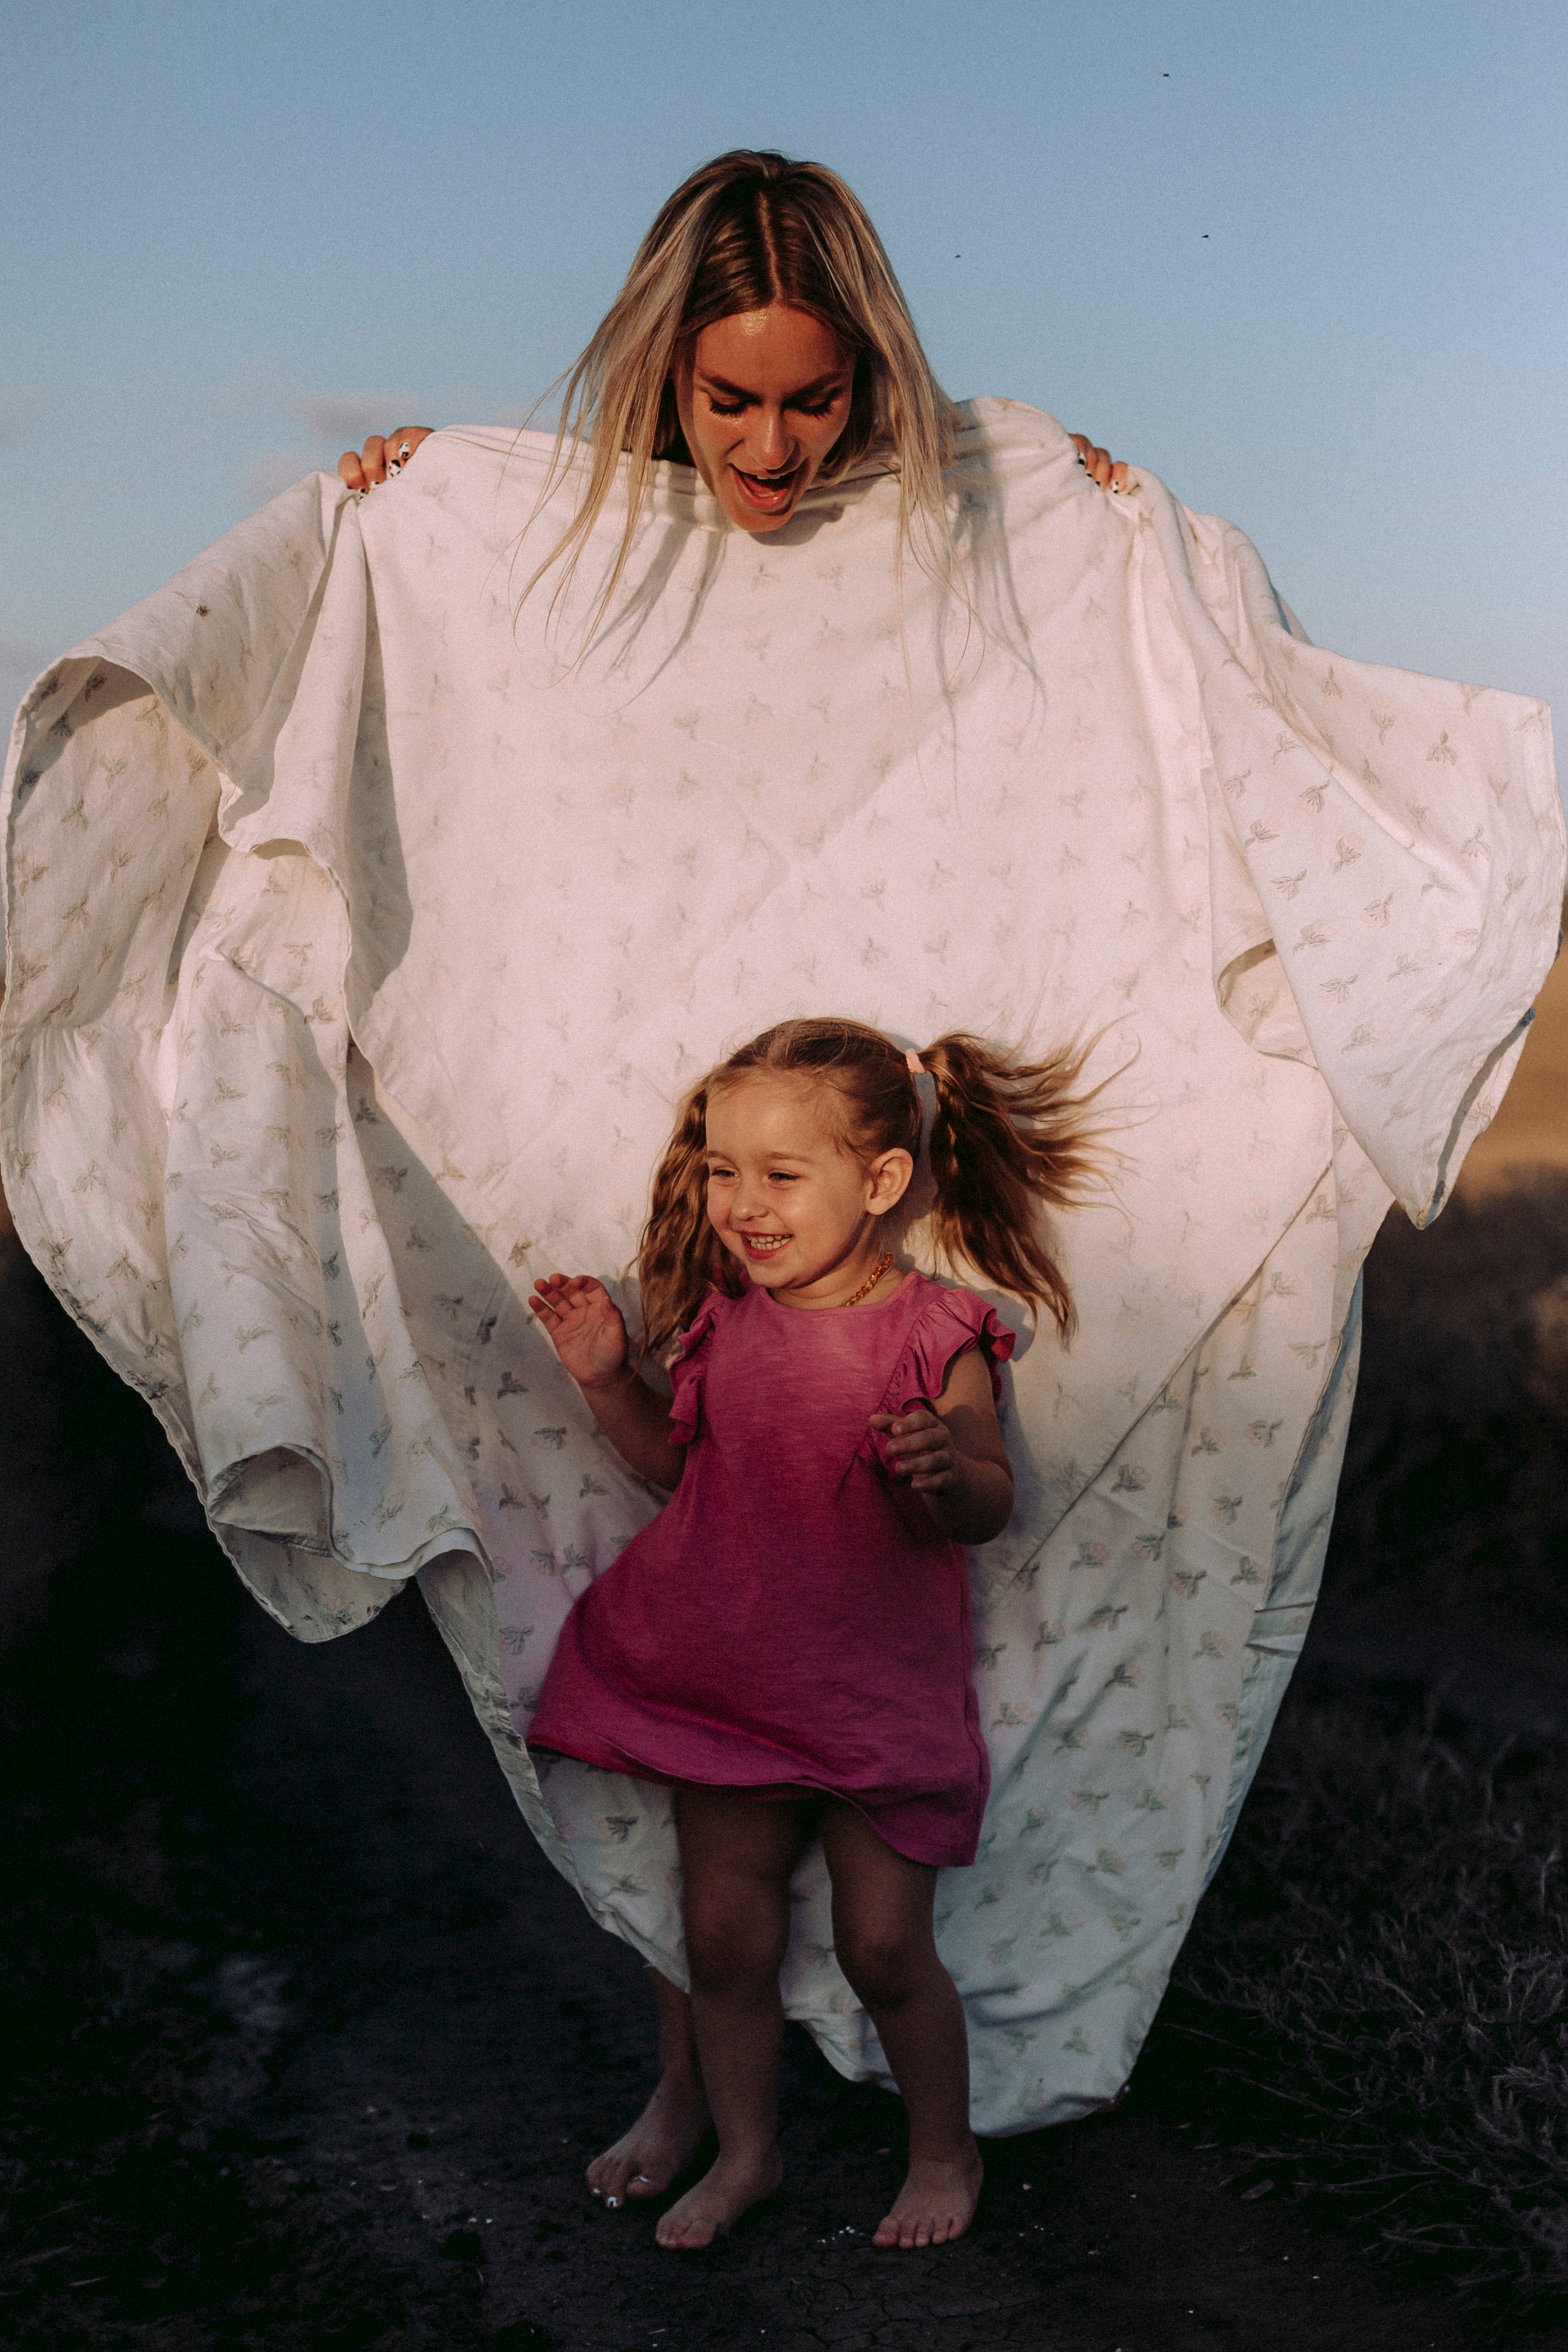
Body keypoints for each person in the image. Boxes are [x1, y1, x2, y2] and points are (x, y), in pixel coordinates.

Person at [7, 145, 1556, 2261]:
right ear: (665, 381)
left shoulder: (968, 525)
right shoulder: (548, 532)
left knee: (872, 1906)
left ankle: (918, 2141)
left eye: (810, 402)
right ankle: (699, 2111)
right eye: (724, 404)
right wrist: (378, 536)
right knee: (692, 1872)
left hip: (870, 1616)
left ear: (866, 379)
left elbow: (1065, 615)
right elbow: (495, 667)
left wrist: (1133, 538)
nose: (767, 445)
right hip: (728, 1574)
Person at [524, 1014, 1094, 2248]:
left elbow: (984, 1508)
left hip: (871, 1706)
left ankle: (942, 2156)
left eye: (780, 1175)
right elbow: (678, 1474)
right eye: (721, 1171)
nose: (741, 1204)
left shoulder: (935, 1329)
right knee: (724, 1941)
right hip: (724, 1688)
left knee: (885, 1948)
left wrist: (945, 1470)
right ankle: (745, 2156)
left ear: (879, 1181)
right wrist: (604, 1377)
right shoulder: (728, 1323)